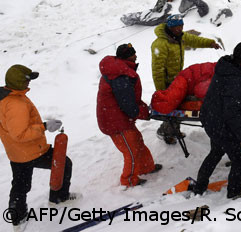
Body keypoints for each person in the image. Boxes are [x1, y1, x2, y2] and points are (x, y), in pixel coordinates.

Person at [1, 65, 78, 226]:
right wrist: (44, 126)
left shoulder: (5, 97)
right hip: (32, 150)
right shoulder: (16, 104)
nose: (29, 84)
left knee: (20, 186)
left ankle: (17, 217)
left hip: (16, 153)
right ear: (18, 82)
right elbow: (20, 134)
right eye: (27, 81)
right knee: (63, 164)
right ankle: (59, 198)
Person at [193, 42, 241, 199]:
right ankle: (234, 192)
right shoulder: (235, 79)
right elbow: (231, 112)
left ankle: (200, 186)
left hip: (211, 118)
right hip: (220, 122)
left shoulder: (226, 68)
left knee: (216, 151)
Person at [97, 44, 160, 187]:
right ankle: (129, 180)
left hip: (119, 117)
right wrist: (144, 113)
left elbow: (130, 100)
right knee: (131, 150)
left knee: (137, 141)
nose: (136, 56)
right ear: (126, 57)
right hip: (114, 121)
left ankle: (146, 167)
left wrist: (143, 109)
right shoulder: (120, 76)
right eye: (133, 54)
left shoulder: (120, 71)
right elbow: (128, 104)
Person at [152, 15, 220, 144]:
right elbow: (157, 70)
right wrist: (161, 91)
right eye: (177, 27)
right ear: (170, 27)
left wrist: (211, 43)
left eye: (181, 26)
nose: (180, 29)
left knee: (178, 106)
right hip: (166, 81)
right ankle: (165, 132)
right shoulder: (160, 44)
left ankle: (173, 130)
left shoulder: (180, 37)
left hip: (178, 79)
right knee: (171, 107)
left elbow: (194, 40)